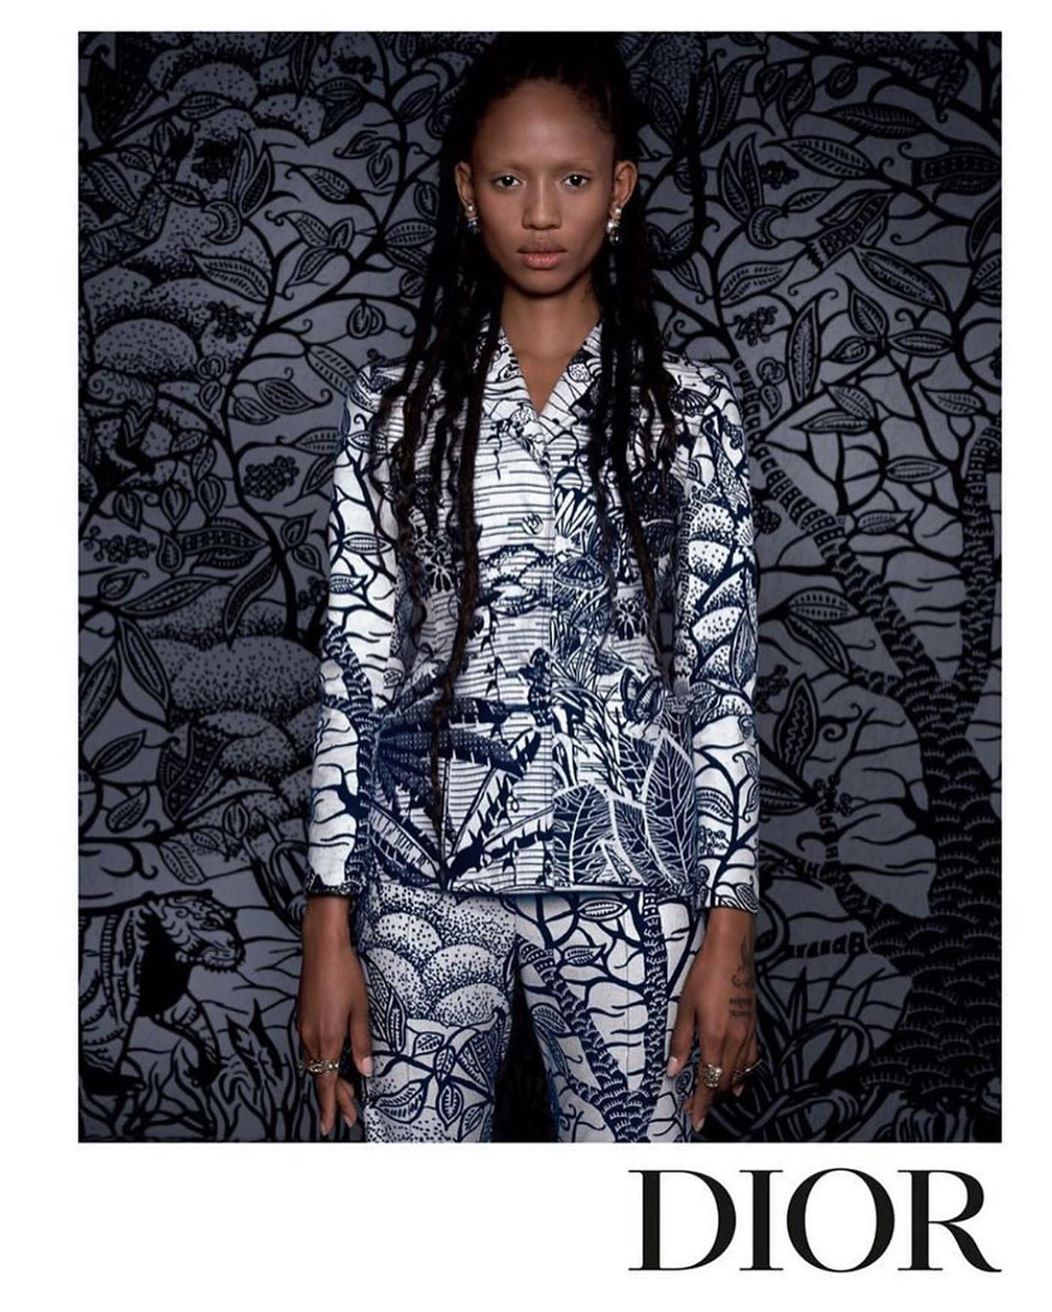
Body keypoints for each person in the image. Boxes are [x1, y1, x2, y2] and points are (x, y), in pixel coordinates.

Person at [296, 32, 762, 1143]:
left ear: (621, 189)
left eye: (573, 179)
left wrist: (729, 932)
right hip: (420, 880)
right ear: (467, 191)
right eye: (509, 180)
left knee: (640, 1205)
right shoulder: (395, 412)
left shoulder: (692, 414)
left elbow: (722, 681)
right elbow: (353, 668)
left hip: (632, 880)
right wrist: (327, 922)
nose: (541, 213)